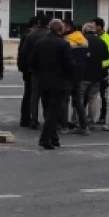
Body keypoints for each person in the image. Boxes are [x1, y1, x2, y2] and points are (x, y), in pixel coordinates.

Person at [29, 19, 74, 150]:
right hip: (58, 82)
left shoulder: (39, 43)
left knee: (48, 109)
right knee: (53, 111)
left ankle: (54, 138)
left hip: (43, 81)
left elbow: (32, 61)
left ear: (49, 28)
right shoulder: (64, 44)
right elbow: (69, 64)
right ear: (61, 29)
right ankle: (45, 139)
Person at [17, 15, 48, 129]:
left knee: (30, 95)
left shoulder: (28, 35)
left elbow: (22, 53)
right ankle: (29, 118)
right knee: (37, 95)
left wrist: (22, 67)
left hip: (29, 69)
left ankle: (28, 118)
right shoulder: (33, 36)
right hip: (36, 70)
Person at [62, 19, 91, 135]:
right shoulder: (84, 40)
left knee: (64, 101)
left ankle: (64, 126)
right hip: (79, 75)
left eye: (63, 26)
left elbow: (65, 59)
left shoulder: (67, 40)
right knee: (78, 101)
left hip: (68, 75)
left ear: (68, 27)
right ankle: (84, 126)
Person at [80, 23, 109, 127]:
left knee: (80, 97)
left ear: (84, 31)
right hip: (97, 74)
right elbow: (107, 56)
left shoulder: (82, 41)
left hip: (84, 74)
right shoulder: (102, 42)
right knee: (93, 98)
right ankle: (91, 120)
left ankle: (78, 120)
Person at [92, 17, 109, 125]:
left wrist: (101, 65)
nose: (93, 28)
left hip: (102, 70)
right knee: (90, 95)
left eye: (94, 26)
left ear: (99, 26)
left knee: (103, 94)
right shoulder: (93, 38)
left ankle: (102, 117)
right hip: (91, 70)